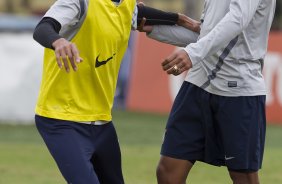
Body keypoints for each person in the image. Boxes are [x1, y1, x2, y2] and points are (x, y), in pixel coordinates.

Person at [32, 0, 196, 183]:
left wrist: (179, 19)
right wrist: (58, 41)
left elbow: (141, 13)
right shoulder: (78, 3)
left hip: (102, 122)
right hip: (62, 118)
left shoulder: (126, 6)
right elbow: (43, 28)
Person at [141, 0, 276, 183]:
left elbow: (237, 20)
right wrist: (154, 28)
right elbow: (208, 35)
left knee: (243, 176)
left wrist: (192, 54)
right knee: (167, 172)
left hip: (238, 90)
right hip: (198, 83)